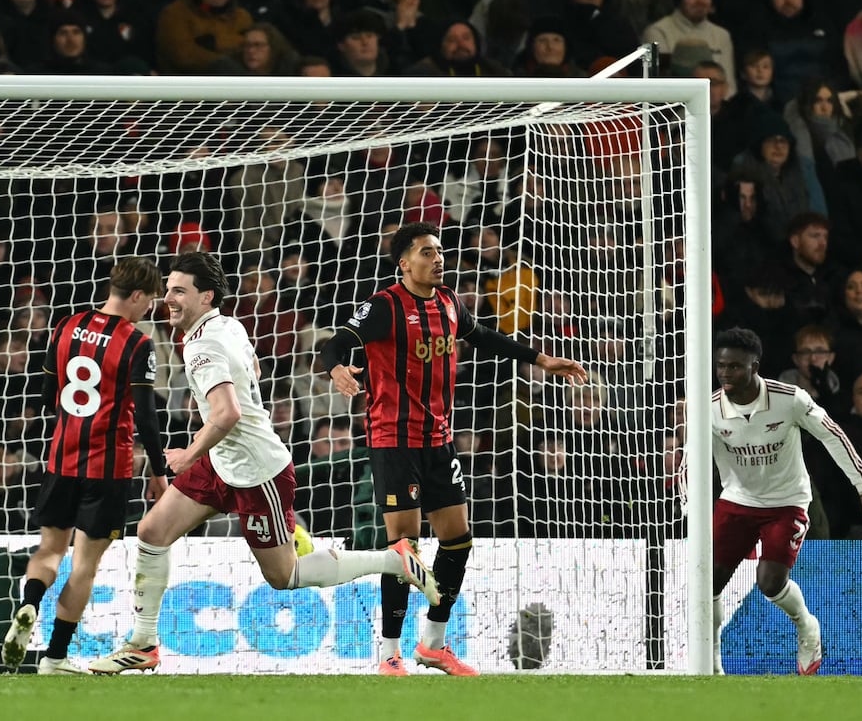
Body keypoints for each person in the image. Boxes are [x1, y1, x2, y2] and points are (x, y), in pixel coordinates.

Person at [89, 252, 439, 674]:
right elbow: (250, 366)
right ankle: (143, 643)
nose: (169, 299)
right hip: (224, 460)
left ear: (206, 296)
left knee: (285, 576)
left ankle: (393, 560)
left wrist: (186, 454)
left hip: (257, 471)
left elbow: (227, 413)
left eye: (178, 291)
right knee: (152, 530)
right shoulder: (225, 324)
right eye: (167, 291)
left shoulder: (203, 345)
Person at [319, 221, 587, 676]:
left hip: (439, 441)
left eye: (439, 251)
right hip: (394, 440)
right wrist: (336, 370)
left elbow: (484, 336)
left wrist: (542, 359)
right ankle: (388, 653)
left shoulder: (449, 302)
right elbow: (337, 343)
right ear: (404, 263)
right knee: (404, 549)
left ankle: (433, 643)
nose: (437, 258)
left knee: (458, 541)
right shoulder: (384, 306)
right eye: (427, 252)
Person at [0, 258, 170, 675]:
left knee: (49, 549)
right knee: (84, 565)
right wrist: (159, 471)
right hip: (108, 470)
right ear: (135, 295)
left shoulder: (64, 325)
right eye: (149, 299)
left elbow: (45, 394)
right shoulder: (136, 343)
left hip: (61, 460)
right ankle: (54, 658)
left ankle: (28, 604)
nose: (150, 308)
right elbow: (147, 417)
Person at [709, 327, 862, 676]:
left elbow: (832, 435)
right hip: (737, 500)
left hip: (786, 501)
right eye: (721, 366)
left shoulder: (790, 399)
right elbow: (691, 458)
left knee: (770, 582)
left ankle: (807, 627)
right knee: (708, 582)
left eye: (735, 367)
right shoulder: (709, 409)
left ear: (754, 366)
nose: (725, 374)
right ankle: (710, 659)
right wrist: (687, 500)